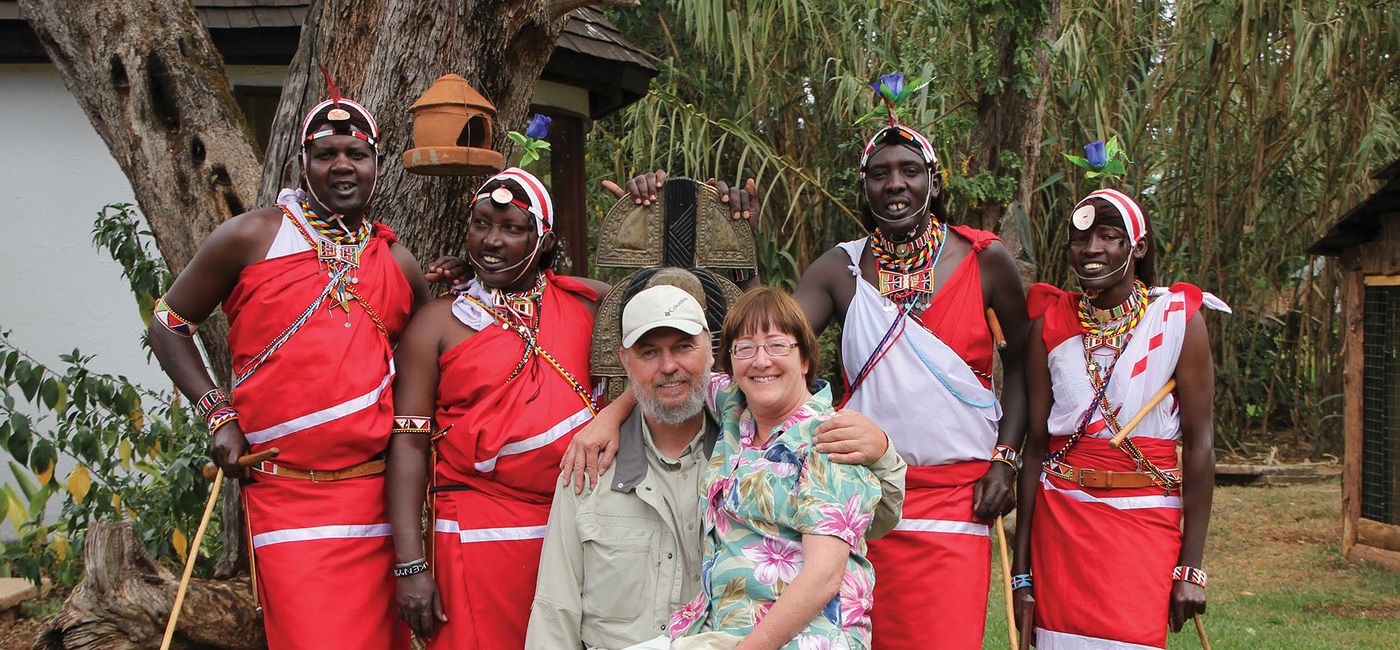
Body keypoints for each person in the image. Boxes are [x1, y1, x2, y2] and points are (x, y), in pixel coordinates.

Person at [593, 114, 1029, 648]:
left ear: (933, 181)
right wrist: (736, 251)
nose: (895, 184)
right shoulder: (841, 269)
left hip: (957, 495)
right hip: (851, 482)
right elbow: (771, 348)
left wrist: (1007, 459)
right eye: (879, 174)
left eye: (910, 170)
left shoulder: (985, 260)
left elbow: (1026, 364)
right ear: (865, 189)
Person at [148, 82, 429, 649]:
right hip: (285, 496)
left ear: (377, 165)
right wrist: (218, 414)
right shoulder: (251, 237)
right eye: (326, 154)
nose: (342, 166)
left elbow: (434, 359)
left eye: (357, 154)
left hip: (378, 505)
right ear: (303, 163)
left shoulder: (397, 261)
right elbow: (168, 324)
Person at [526, 272, 905, 649]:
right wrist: (609, 414)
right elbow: (553, 610)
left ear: (709, 351)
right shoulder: (593, 462)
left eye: (683, 346)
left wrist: (884, 450)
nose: (669, 365)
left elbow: (834, 563)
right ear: (626, 360)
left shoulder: (828, 439)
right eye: (649, 352)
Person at [385, 167, 610, 649]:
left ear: (544, 241)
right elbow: (407, 444)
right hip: (473, 534)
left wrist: (649, 210)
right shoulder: (436, 324)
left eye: (512, 228)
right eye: (481, 224)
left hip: (576, 530)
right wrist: (411, 566)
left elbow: (683, 328)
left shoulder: (591, 305)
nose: (492, 241)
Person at [1012, 187, 1226, 648]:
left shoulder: (1176, 320)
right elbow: (1035, 447)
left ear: (1138, 246)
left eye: (1109, 236)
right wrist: (1021, 572)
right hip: (1061, 523)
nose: (1091, 250)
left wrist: (1191, 568)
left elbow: (1201, 444)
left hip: (1145, 521)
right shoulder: (1050, 323)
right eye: (1079, 239)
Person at [667, 287, 883, 649]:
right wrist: (608, 417)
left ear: (804, 359)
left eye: (777, 345)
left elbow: (823, 578)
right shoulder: (736, 408)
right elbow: (671, 378)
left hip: (807, 637)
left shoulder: (828, 440)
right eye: (745, 348)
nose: (761, 360)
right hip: (722, 628)